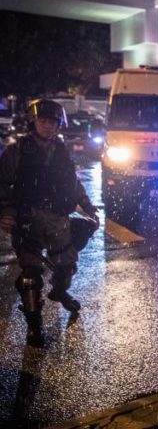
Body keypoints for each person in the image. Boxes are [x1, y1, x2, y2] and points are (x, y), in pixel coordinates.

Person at [0, 99, 99, 347]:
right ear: (33, 122)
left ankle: (59, 291)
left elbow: (73, 184)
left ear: (59, 125)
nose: (47, 126)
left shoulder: (62, 150)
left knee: (66, 265)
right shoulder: (18, 150)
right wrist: (6, 212)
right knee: (30, 275)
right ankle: (34, 327)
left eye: (52, 122)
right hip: (27, 218)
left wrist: (88, 208)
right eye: (42, 121)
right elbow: (3, 184)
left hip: (58, 218)